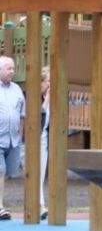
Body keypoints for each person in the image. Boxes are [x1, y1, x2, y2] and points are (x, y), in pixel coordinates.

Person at [0, 55, 26, 221]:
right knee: (0, 171)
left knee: (9, 173)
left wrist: (21, 136)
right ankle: (0, 207)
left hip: (14, 140)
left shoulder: (17, 89)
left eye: (13, 68)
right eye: (8, 68)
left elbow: (22, 115)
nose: (12, 71)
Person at [39, 67, 50, 220]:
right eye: (49, 81)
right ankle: (41, 206)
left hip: (44, 138)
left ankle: (40, 205)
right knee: (35, 173)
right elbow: (38, 118)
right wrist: (47, 100)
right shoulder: (32, 95)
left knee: (40, 175)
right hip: (30, 139)